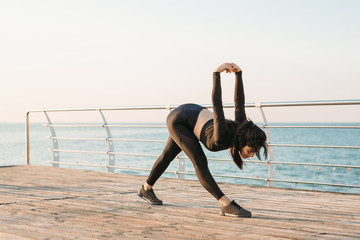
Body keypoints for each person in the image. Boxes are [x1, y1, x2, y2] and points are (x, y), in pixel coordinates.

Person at [138, 63, 267, 218]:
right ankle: (226, 203)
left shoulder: (241, 127)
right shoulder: (221, 135)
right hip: (180, 119)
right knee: (199, 161)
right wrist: (216, 73)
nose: (252, 155)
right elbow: (217, 104)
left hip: (192, 116)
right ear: (245, 142)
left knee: (168, 155)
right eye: (251, 150)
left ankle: (146, 189)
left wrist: (238, 74)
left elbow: (239, 102)